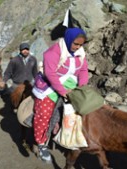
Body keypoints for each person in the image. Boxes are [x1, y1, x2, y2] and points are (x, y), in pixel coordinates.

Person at [32, 27, 89, 163]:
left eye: (81, 44)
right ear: (69, 40)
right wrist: (63, 92)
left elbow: (83, 69)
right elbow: (50, 74)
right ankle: (41, 143)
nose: (78, 47)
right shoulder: (52, 52)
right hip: (50, 85)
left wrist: (82, 87)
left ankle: (69, 137)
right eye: (76, 44)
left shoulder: (80, 52)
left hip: (70, 84)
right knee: (44, 113)